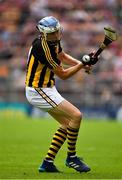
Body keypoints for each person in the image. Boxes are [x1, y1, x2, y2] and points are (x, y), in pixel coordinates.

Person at [25, 16, 98, 173]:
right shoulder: (43, 48)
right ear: (44, 34)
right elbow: (63, 74)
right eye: (53, 34)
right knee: (76, 116)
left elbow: (63, 57)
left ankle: (47, 163)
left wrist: (81, 64)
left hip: (47, 88)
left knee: (67, 124)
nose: (57, 35)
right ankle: (71, 157)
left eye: (57, 31)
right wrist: (82, 65)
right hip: (38, 90)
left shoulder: (53, 41)